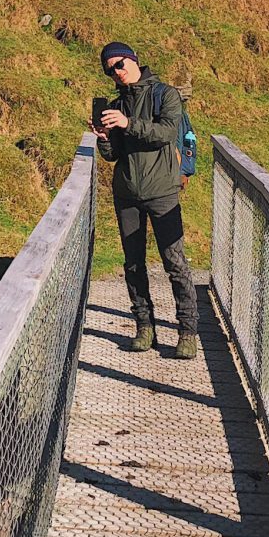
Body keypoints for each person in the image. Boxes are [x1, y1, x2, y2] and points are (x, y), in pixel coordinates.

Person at [88, 41, 199, 359]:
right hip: (127, 195)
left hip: (163, 192)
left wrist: (127, 124)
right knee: (133, 264)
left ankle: (187, 332)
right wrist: (105, 139)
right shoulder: (116, 105)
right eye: (109, 70)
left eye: (119, 64)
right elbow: (113, 156)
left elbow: (164, 133)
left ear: (134, 60)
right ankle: (144, 327)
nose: (116, 72)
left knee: (174, 262)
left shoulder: (165, 94)